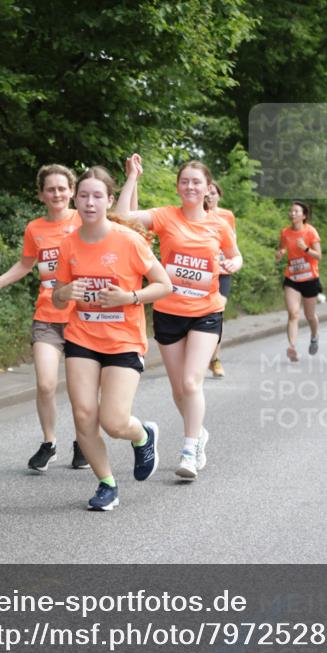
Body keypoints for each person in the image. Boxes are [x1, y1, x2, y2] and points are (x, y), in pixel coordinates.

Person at [52, 167, 172, 511]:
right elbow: (58, 297)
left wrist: (129, 298)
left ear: (107, 200)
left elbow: (164, 285)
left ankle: (143, 435)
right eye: (84, 196)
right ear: (76, 200)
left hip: (123, 341)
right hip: (82, 338)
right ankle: (106, 482)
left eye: (97, 196)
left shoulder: (128, 240)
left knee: (114, 421)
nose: (90, 202)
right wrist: (65, 291)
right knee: (84, 415)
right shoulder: (68, 243)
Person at [117, 156, 242, 481]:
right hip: (169, 313)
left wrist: (235, 265)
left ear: (207, 188)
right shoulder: (165, 216)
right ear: (178, 187)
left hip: (206, 312)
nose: (190, 186)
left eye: (196, 182)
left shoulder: (219, 224)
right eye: (184, 181)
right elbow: (121, 218)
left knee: (191, 382)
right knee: (177, 390)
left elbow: (235, 254)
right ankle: (198, 433)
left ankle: (189, 450)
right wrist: (132, 177)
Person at [0, 165, 89, 471]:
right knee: (45, 384)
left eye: (62, 188)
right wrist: (0, 281)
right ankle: (49, 443)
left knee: (82, 389)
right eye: (50, 189)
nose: (57, 194)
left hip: (82, 317)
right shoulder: (35, 228)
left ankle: (83, 443)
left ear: (71, 191)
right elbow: (26, 264)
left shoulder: (84, 219)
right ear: (41, 194)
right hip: (47, 316)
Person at [275, 201, 322, 362]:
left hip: (310, 278)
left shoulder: (310, 232)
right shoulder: (285, 232)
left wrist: (306, 249)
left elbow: (319, 256)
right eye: (291, 211)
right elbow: (282, 248)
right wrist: (280, 253)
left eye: (296, 211)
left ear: (304, 216)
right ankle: (292, 347)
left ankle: (314, 335)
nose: (292, 213)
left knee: (309, 315)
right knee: (293, 314)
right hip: (292, 278)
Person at [204, 179, 236, 378]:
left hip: (222, 272)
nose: (210, 197)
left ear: (219, 195)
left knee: (218, 313)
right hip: (203, 273)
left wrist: (232, 260)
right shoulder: (197, 215)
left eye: (213, 193)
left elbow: (232, 242)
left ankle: (215, 359)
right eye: (207, 194)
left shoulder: (227, 216)